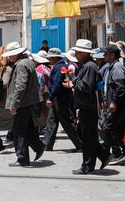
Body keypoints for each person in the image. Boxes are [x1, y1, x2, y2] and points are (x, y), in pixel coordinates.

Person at [66, 39, 111, 174]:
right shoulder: (87, 66)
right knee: (85, 135)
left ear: (84, 53)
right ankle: (103, 155)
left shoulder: (89, 67)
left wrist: (72, 78)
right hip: (86, 106)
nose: (76, 55)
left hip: (88, 107)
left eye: (78, 53)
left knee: (87, 138)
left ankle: (88, 166)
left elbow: (85, 86)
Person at [2, 42, 45, 167]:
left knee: (19, 131)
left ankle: (22, 159)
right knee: (28, 129)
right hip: (28, 101)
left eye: (11, 55)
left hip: (23, 103)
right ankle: (38, 146)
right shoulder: (27, 62)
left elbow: (20, 86)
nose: (9, 58)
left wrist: (15, 104)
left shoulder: (21, 65)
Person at [43, 48, 82, 151]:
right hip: (58, 98)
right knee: (51, 121)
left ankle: (81, 143)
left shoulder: (60, 67)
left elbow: (57, 83)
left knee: (67, 123)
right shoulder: (59, 66)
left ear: (55, 57)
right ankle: (47, 144)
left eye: (50, 58)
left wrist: (50, 98)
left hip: (60, 99)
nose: (49, 60)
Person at [100, 44, 125, 165]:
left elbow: (120, 87)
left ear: (112, 55)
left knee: (107, 127)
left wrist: (114, 102)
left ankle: (117, 153)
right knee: (118, 129)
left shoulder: (117, 67)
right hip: (116, 105)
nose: (104, 56)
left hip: (119, 105)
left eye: (106, 54)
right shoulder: (111, 67)